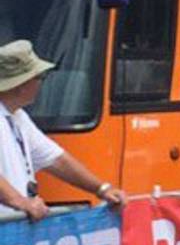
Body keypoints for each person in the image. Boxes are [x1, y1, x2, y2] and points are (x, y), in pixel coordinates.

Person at [0, 40, 126, 220]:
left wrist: (102, 189)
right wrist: (20, 201)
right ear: (21, 84)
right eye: (40, 77)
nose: (42, 84)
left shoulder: (18, 116)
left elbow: (56, 160)